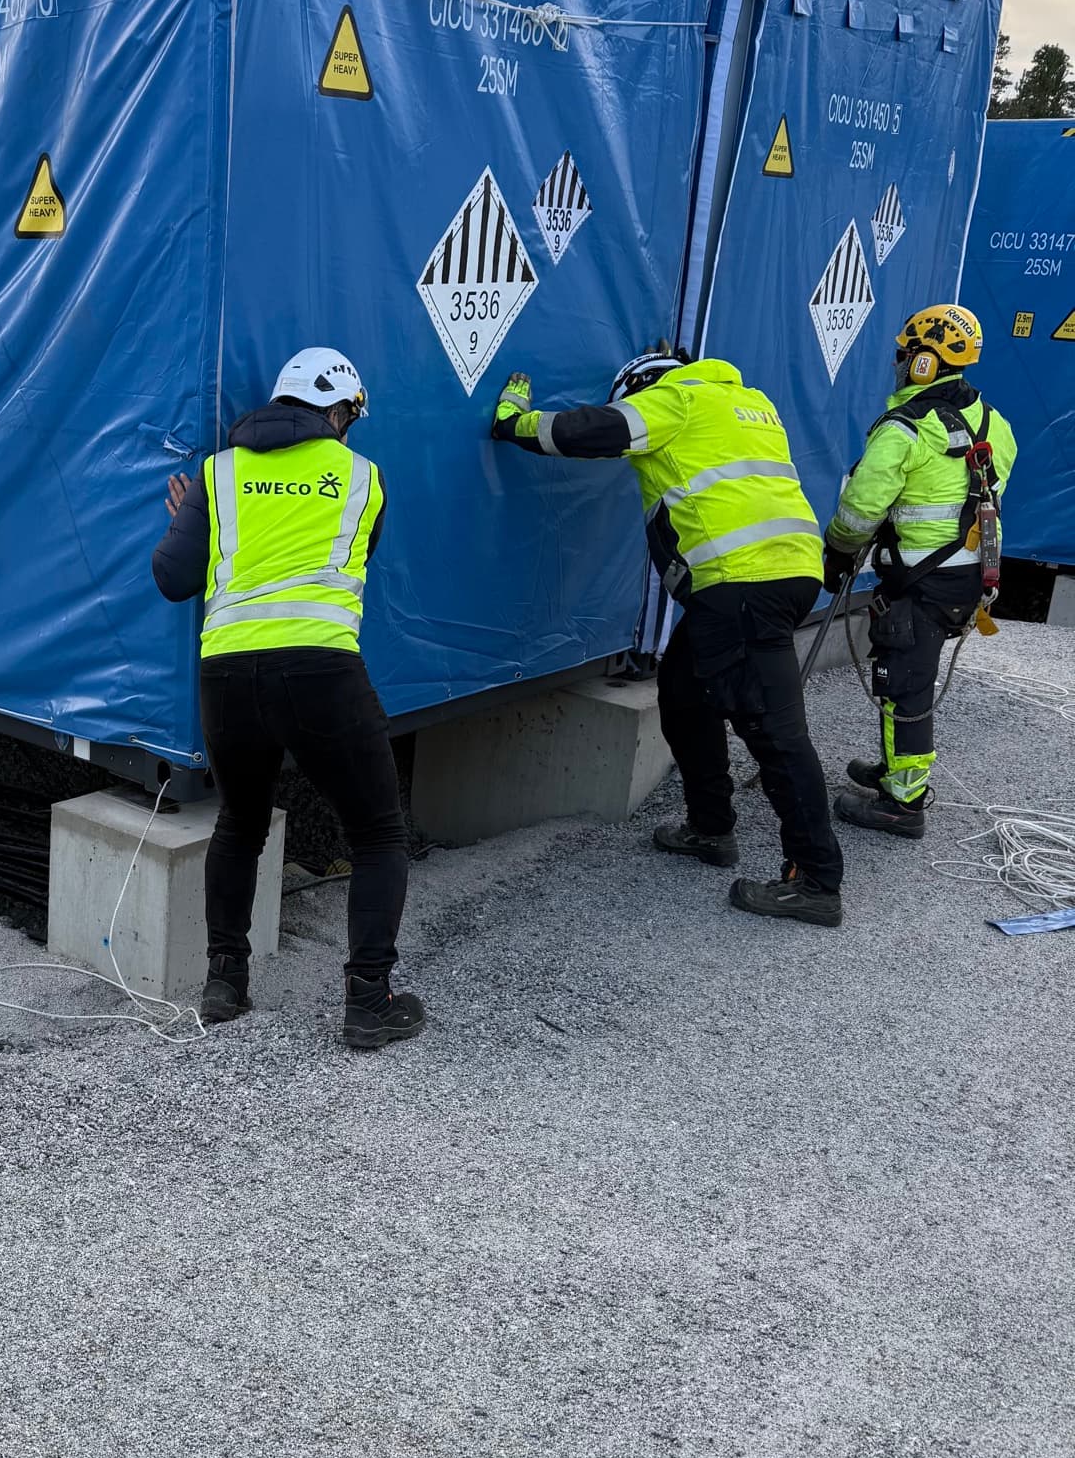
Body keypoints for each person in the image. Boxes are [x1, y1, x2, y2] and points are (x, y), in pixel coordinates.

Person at [492, 346, 845, 926]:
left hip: (742, 586)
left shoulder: (677, 398)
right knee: (682, 692)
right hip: (781, 576)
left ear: (644, 385)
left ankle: (815, 879)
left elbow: (589, 431)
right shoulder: (748, 403)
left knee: (776, 734)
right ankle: (710, 829)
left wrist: (514, 422)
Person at [153, 350, 425, 1048]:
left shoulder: (217, 472)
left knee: (240, 821)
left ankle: (225, 984)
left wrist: (194, 525)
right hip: (320, 670)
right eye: (349, 420)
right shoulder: (365, 478)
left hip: (227, 674)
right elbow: (360, 555)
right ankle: (369, 1002)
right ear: (337, 413)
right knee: (377, 832)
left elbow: (174, 580)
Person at [823, 303, 1017, 837]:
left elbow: (861, 507)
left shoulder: (905, 428)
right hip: (968, 577)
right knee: (906, 672)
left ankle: (903, 805)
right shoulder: (992, 421)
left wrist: (839, 551)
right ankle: (893, 772)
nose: (899, 364)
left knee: (904, 682)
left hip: (920, 581)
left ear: (927, 362)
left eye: (906, 355)